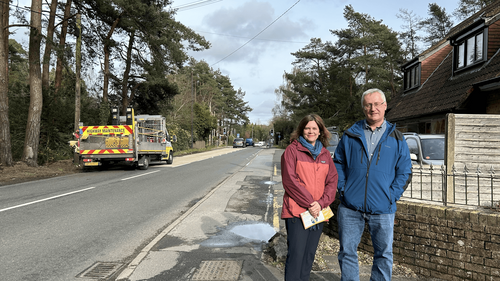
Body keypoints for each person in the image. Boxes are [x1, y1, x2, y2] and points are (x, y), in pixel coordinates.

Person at [333, 88, 412, 280]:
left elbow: (405, 171)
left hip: (383, 209)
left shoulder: (397, 138)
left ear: (385, 106)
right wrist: (343, 189)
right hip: (350, 207)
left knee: (384, 255)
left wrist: (390, 197)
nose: (373, 108)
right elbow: (338, 163)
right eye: (368, 104)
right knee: (347, 252)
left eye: (377, 104)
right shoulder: (350, 134)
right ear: (363, 108)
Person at [281, 114, 338, 281]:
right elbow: (290, 181)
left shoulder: (325, 154)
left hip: (318, 213)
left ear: (320, 131)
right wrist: (311, 203)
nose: (311, 131)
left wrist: (320, 204)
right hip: (296, 212)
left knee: (308, 257)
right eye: (307, 128)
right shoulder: (292, 151)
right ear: (301, 130)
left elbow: (332, 181)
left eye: (314, 128)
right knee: (296, 256)